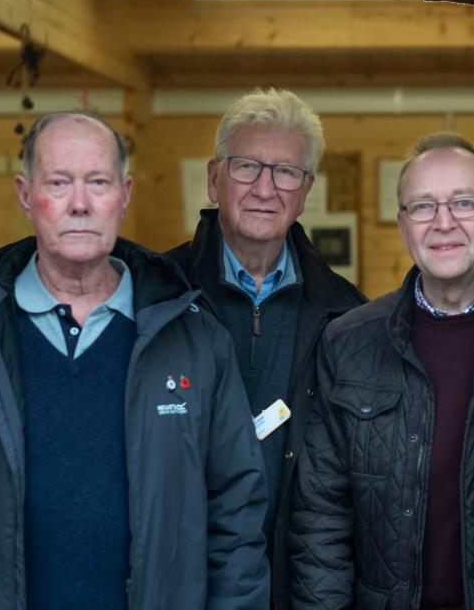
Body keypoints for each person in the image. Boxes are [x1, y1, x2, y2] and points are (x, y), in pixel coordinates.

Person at [0, 111, 270, 610]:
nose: (80, 204)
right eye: (60, 182)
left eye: (97, 183)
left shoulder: (194, 338)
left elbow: (236, 518)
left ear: (124, 195)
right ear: (25, 195)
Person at [290, 132, 474, 610]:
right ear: (403, 226)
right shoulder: (349, 341)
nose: (443, 222)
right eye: (422, 206)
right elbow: (321, 513)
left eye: (464, 203)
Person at [167, 88, 365, 609]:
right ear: (214, 178)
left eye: (285, 172)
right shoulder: (156, 298)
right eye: (247, 166)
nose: (264, 187)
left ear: (305, 191)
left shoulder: (346, 315)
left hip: (299, 584)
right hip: (177, 581)